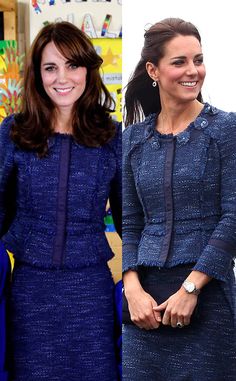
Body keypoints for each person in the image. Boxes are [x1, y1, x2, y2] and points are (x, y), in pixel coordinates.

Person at [0, 21, 121, 381]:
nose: (62, 77)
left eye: (72, 65)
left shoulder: (111, 137)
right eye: (50, 67)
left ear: (88, 69)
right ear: (38, 75)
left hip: (90, 293)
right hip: (30, 293)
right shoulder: (14, 133)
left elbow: (132, 221)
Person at [122, 17, 236, 380]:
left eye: (198, 60)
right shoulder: (131, 141)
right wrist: (132, 288)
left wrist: (191, 287)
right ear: (153, 70)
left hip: (208, 299)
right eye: (180, 62)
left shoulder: (226, 130)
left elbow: (233, 215)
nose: (193, 71)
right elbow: (130, 221)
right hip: (146, 308)